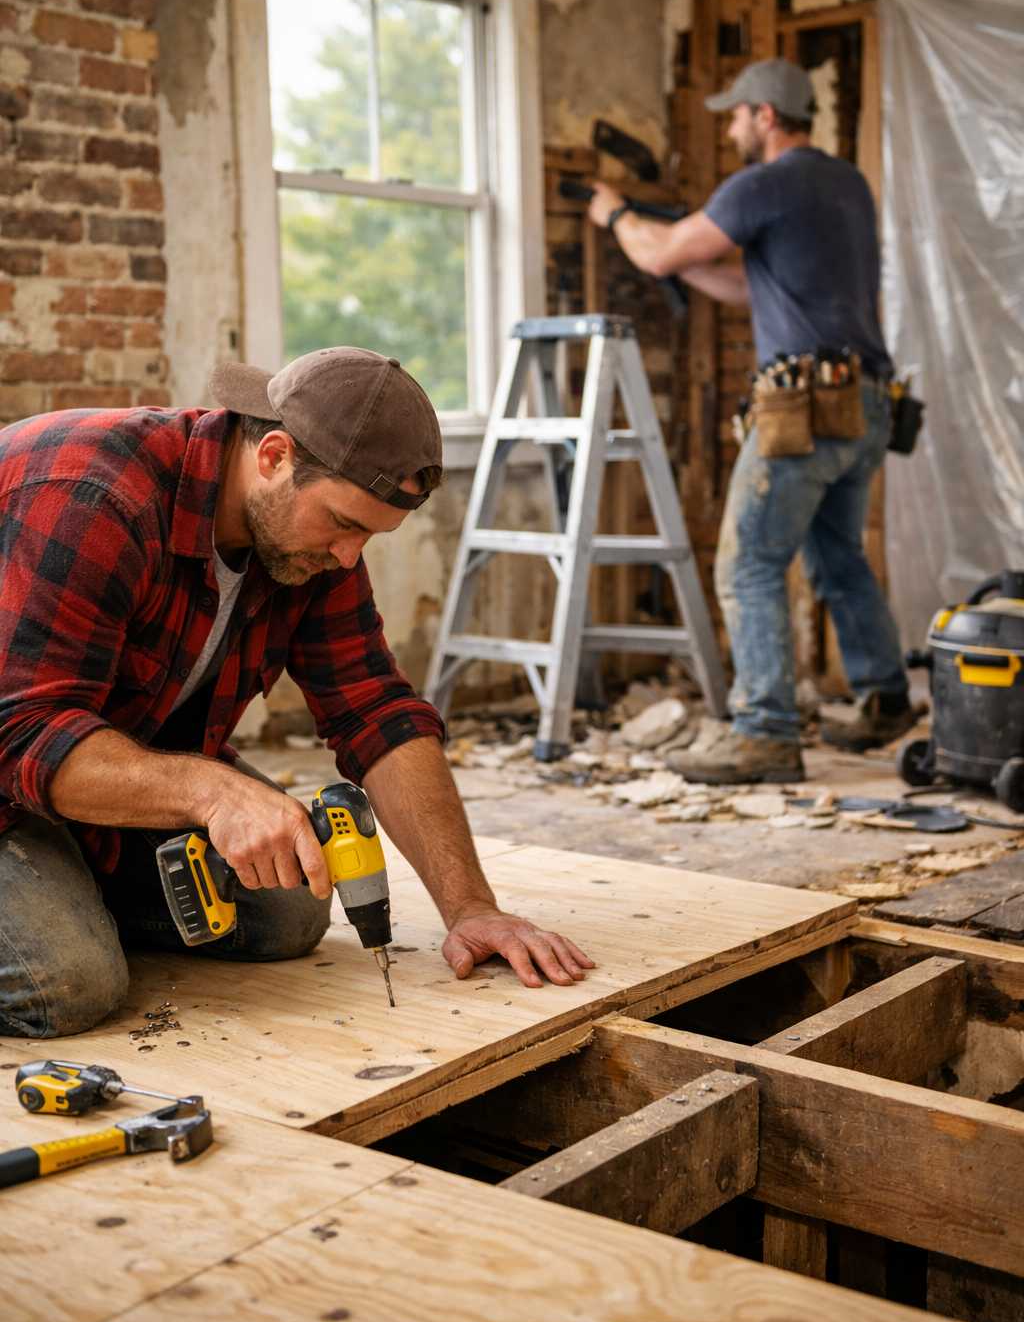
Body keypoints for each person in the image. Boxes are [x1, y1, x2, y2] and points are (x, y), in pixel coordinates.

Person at [0, 348, 593, 1038]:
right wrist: (214, 792)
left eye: (370, 535)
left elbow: (374, 709)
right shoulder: (95, 494)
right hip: (14, 756)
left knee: (284, 907)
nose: (350, 556)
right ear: (274, 456)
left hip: (78, 761)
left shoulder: (309, 540)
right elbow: (22, 733)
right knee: (65, 983)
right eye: (344, 524)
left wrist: (470, 907)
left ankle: (62, 885)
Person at [587, 59, 921, 784]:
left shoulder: (762, 183)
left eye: (736, 115)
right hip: (865, 403)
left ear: (766, 116)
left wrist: (615, 213)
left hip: (805, 407)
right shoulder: (845, 185)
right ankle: (886, 697)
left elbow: (658, 251)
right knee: (839, 557)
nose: (732, 125)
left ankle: (766, 732)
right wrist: (678, 265)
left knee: (747, 564)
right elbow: (748, 285)